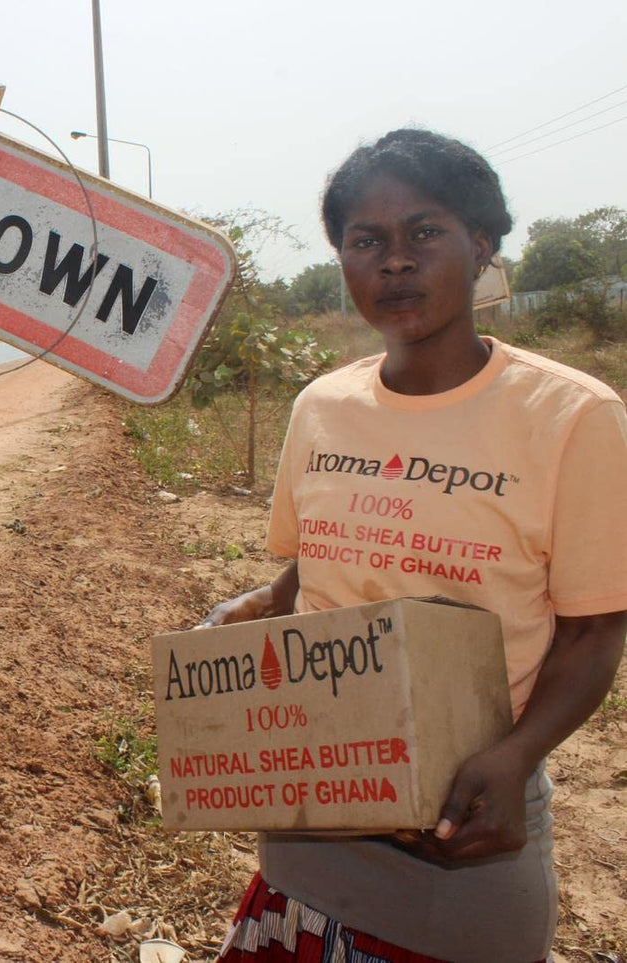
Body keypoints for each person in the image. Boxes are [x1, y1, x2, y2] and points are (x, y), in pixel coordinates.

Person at [204, 129, 627, 962]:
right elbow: (316, 560)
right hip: (308, 809)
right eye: (366, 241)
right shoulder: (321, 406)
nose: (394, 262)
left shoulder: (571, 415)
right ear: (343, 261)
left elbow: (591, 630)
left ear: (480, 244)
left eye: (423, 232)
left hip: (462, 825)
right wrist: (259, 604)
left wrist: (513, 758)